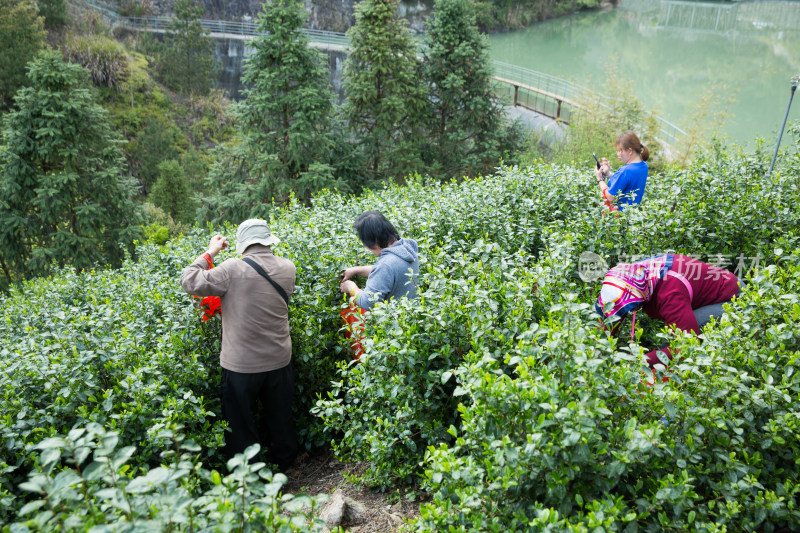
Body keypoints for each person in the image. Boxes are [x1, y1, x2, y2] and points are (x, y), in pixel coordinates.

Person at [180, 219, 298, 470]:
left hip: (241, 366)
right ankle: (286, 466)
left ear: (242, 245)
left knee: (240, 423)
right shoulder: (288, 267)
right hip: (279, 359)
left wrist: (210, 251)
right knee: (280, 416)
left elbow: (189, 281)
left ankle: (250, 475)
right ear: (268, 240)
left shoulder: (233, 268)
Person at [595, 254, 741, 368]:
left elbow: (687, 344)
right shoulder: (629, 278)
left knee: (671, 345)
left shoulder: (670, 292)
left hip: (731, 300)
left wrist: (638, 364)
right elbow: (608, 322)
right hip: (700, 296)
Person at [339, 210, 419, 310]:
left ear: (373, 241)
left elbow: (368, 302)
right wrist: (356, 270)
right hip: (411, 315)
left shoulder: (386, 265)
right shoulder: (407, 248)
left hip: (393, 321)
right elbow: (388, 273)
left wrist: (351, 287)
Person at [595, 131, 650, 211]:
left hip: (618, 219)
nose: (618, 154)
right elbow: (627, 181)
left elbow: (610, 196)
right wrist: (608, 174)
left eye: (620, 151)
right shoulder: (643, 166)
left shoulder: (626, 171)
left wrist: (599, 178)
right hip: (631, 215)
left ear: (630, 151)